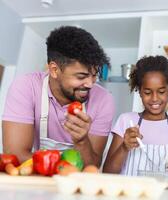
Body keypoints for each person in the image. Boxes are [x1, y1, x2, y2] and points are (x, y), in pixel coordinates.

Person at [2, 26, 115, 167]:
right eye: (81, 76)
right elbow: (15, 154)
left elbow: (92, 166)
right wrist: (63, 169)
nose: (90, 84)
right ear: (54, 70)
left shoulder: (104, 100)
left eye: (94, 75)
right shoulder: (26, 86)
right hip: (39, 178)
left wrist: (82, 141)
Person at [103, 55, 168, 188]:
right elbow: (107, 173)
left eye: (161, 91)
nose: (155, 98)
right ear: (139, 92)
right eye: (147, 92)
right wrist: (124, 147)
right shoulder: (126, 121)